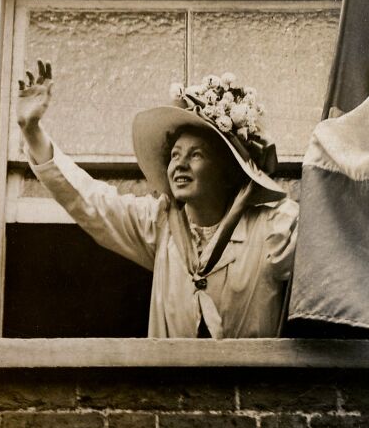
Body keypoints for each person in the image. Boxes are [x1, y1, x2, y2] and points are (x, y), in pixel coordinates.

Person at [17, 61, 299, 339]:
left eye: (196, 155)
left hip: (250, 385)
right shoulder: (161, 223)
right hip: (170, 386)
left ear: (227, 171)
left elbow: (325, 244)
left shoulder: (272, 228)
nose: (180, 165)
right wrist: (32, 132)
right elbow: (89, 201)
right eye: (175, 155)